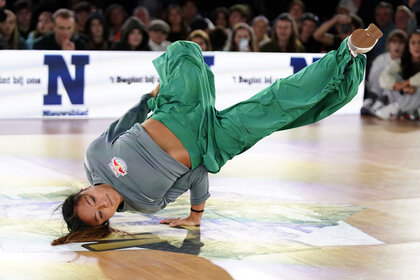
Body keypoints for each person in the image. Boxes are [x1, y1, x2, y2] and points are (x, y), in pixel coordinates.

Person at [52, 24, 382, 245]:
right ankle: (349, 53)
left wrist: (151, 97)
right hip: (215, 142)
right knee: (279, 105)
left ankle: (346, 58)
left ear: (84, 189)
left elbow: (127, 121)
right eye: (100, 213)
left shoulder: (95, 156)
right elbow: (195, 176)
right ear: (107, 220)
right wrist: (195, 217)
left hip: (177, 110)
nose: (103, 203)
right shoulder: (148, 204)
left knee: (183, 51)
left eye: (91, 200)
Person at [375, 29, 420, 120]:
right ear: (408, 45)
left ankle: (407, 111)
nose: (417, 46)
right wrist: (401, 87)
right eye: (413, 43)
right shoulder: (401, 62)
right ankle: (403, 110)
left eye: (419, 42)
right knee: (393, 77)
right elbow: (384, 77)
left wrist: (408, 82)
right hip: (407, 97)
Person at [361, 29, 407, 116]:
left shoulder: (406, 62)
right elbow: (372, 80)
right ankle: (371, 101)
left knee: (390, 72)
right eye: (394, 42)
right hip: (376, 92)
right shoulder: (380, 59)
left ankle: (381, 102)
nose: (397, 45)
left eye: (401, 43)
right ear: (389, 44)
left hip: (394, 96)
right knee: (383, 69)